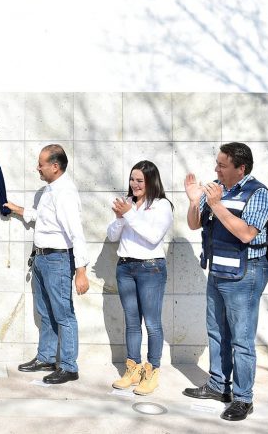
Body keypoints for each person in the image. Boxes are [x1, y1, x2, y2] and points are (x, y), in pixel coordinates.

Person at [182, 142, 268, 422]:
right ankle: (218, 386)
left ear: (240, 168)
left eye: (222, 165)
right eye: (217, 164)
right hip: (219, 270)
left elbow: (246, 233)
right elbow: (194, 224)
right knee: (216, 332)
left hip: (246, 274)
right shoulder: (216, 189)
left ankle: (243, 398)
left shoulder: (259, 194)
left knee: (242, 340)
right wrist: (192, 200)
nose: (215, 169)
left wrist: (216, 204)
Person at [4, 144, 89, 385]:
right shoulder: (48, 191)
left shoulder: (65, 193)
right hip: (42, 259)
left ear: (55, 166)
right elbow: (39, 216)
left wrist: (80, 270)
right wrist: (16, 209)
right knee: (46, 312)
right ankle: (46, 357)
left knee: (64, 314)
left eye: (41, 164)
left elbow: (77, 234)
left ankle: (69, 366)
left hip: (58, 260)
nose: (37, 168)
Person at [106, 161, 173, 395]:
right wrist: (120, 218)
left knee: (152, 323)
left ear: (151, 181)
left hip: (150, 269)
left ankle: (152, 371)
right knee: (132, 322)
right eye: (132, 179)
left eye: (139, 180)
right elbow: (113, 236)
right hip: (125, 267)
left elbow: (153, 237)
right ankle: (132, 368)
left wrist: (130, 214)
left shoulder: (162, 206)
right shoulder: (128, 205)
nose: (134, 184)